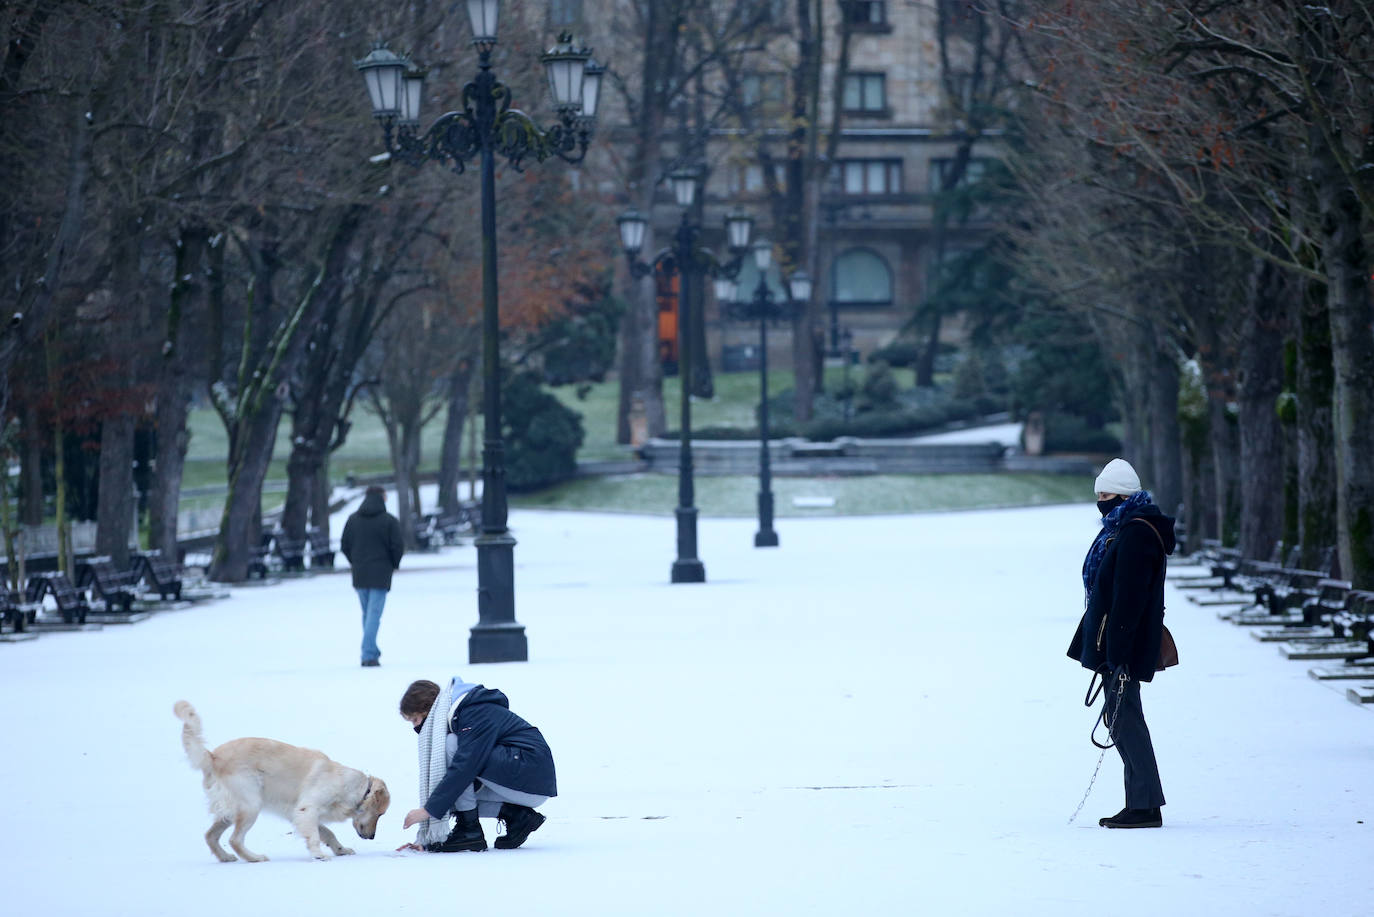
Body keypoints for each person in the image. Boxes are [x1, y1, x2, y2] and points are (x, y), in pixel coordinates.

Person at [1066, 457, 1176, 829]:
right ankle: (1142, 802)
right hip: (1116, 644)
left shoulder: (1136, 533)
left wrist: (1118, 655)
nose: (1102, 501)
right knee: (1121, 719)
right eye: (1098, 494)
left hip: (1123, 647)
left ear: (1126, 494)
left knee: (1126, 721)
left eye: (1108, 493)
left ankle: (1144, 806)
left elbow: (1130, 598)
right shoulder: (1124, 528)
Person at [398, 676, 556, 852]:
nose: (416, 728)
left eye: (415, 720)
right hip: (524, 779)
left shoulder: (473, 711)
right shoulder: (461, 713)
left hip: (530, 774)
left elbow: (465, 767)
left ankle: (469, 831)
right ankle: (518, 817)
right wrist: (425, 839)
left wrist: (428, 810)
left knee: (452, 746)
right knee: (450, 797)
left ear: (428, 709)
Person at [339, 486, 404, 667]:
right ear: (381, 498)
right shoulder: (389, 521)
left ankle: (371, 651)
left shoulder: (353, 520)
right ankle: (368, 654)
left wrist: (355, 561)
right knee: (373, 615)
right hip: (381, 573)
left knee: (368, 614)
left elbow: (345, 544)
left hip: (360, 573)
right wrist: (393, 564)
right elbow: (397, 545)